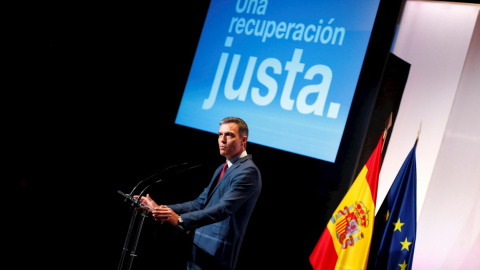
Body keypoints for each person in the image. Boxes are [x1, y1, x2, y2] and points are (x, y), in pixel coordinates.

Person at [136, 116, 262, 270]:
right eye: (220, 134)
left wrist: (180, 220)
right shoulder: (222, 168)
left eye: (229, 135)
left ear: (243, 140)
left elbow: (223, 210)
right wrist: (159, 209)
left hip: (216, 254)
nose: (222, 140)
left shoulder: (248, 171)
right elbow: (199, 204)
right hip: (198, 248)